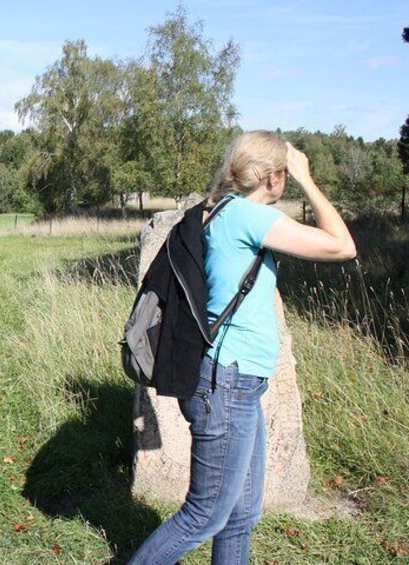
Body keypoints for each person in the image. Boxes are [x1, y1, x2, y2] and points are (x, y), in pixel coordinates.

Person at [128, 131, 356, 565]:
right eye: (285, 174)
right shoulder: (247, 217)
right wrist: (308, 180)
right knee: (205, 514)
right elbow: (342, 246)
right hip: (225, 385)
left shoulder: (223, 212)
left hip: (234, 384)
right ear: (273, 177)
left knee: (241, 514)